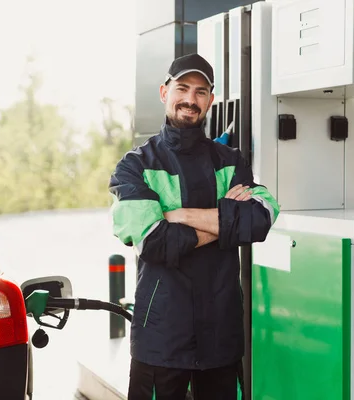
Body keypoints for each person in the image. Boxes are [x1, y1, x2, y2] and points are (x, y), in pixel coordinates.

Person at [108, 53, 279, 400]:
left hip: (221, 337)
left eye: (201, 92)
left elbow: (260, 219)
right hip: (161, 339)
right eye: (182, 88)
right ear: (164, 92)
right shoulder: (135, 166)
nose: (190, 99)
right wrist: (226, 221)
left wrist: (179, 215)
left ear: (211, 100)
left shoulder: (230, 162)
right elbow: (155, 242)